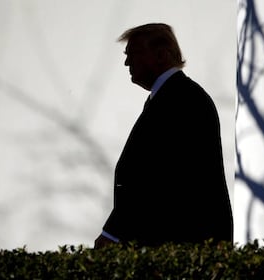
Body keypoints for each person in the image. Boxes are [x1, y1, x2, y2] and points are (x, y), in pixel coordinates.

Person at [94, 23, 233, 248]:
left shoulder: (181, 99)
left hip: (179, 245)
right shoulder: (173, 96)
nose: (127, 62)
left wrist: (113, 232)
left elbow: (155, 174)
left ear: (161, 55)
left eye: (134, 54)